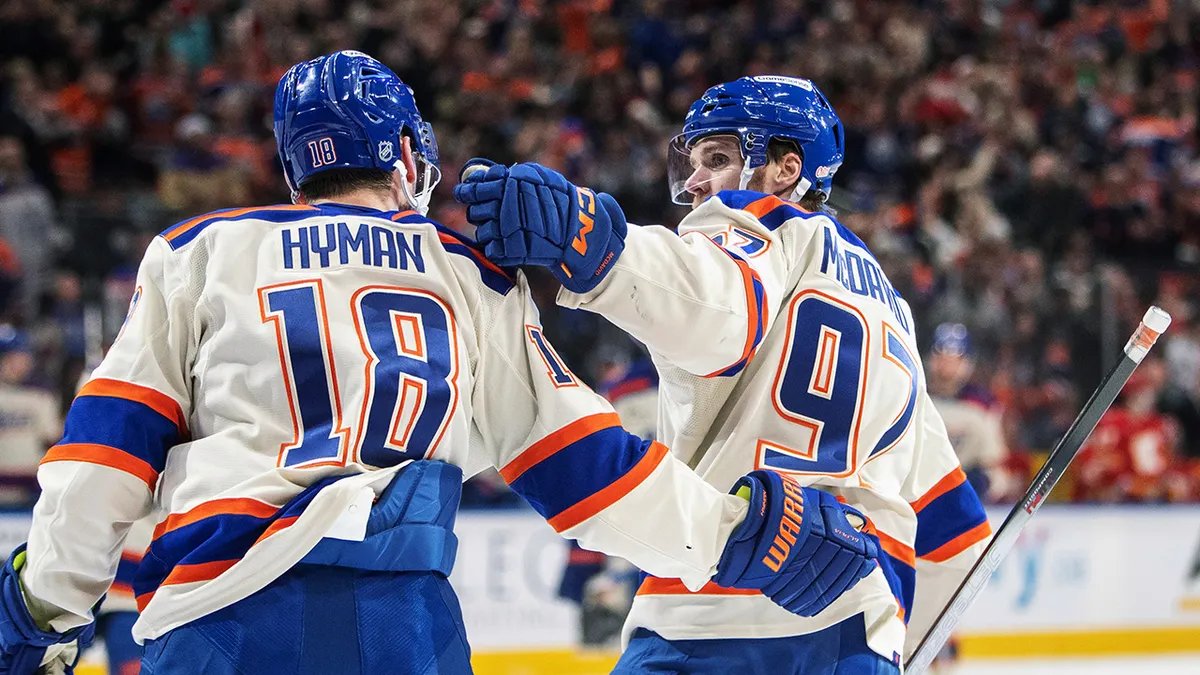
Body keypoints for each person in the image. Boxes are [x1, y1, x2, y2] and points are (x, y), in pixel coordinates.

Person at [0, 54, 880, 675]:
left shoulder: (198, 250)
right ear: (409, 155)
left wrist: (43, 609)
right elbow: (586, 464)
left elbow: (105, 458)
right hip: (405, 625)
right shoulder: (468, 271)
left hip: (220, 623)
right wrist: (733, 533)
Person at [458, 75, 992, 673]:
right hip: (853, 626)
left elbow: (718, 310)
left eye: (717, 158)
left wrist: (592, 245)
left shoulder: (762, 223)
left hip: (711, 608)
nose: (693, 182)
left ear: (786, 168)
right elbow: (957, 532)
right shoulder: (892, 309)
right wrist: (898, 646)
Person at [926, 323, 1010, 500]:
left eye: (954, 359)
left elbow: (993, 462)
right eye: (941, 357)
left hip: (967, 486)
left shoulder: (982, 403)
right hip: (919, 488)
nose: (947, 366)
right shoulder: (914, 396)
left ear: (967, 363)